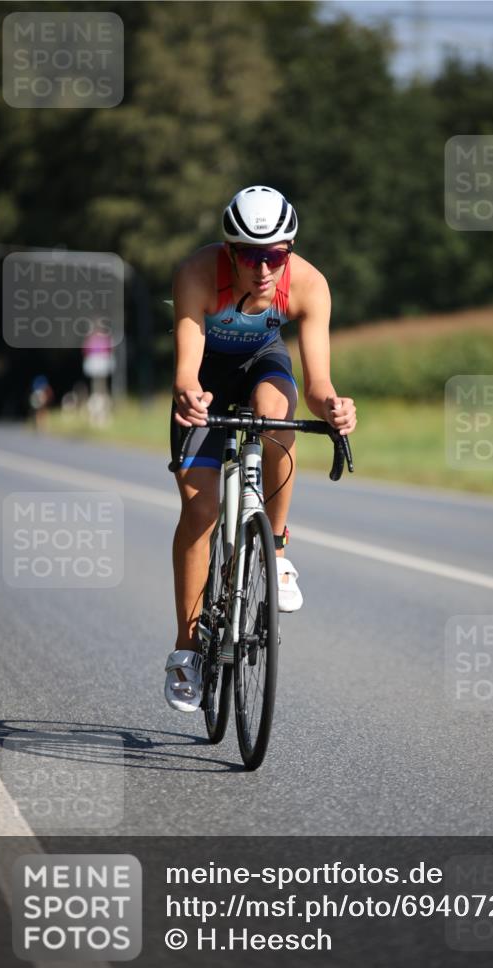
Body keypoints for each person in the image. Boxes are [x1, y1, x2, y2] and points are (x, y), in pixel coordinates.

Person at [165, 186, 356, 712]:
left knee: (276, 411)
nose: (264, 268)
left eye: (275, 255)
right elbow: (186, 367)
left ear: (288, 251)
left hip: (262, 366)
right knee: (200, 509)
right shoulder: (197, 275)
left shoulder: (310, 285)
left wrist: (335, 406)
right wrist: (189, 394)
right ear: (230, 252)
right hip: (206, 378)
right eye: (251, 255)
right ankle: (186, 650)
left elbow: (318, 384)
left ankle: (275, 546)